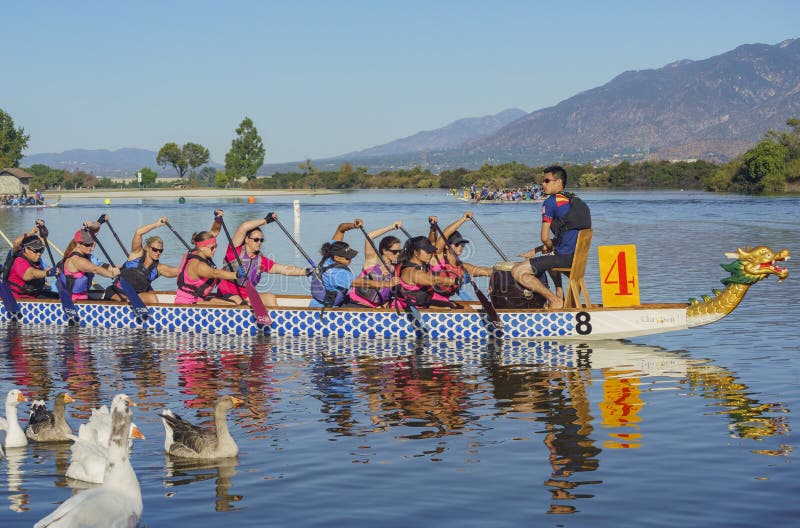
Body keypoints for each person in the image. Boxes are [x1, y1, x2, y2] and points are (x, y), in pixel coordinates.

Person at [511, 165, 588, 309]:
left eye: (547, 181)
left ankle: (554, 300)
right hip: (578, 260)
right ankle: (560, 293)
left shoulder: (550, 202)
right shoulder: (574, 200)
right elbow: (566, 236)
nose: (542, 184)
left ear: (559, 182)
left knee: (518, 271)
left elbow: (544, 237)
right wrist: (537, 250)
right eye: (542, 181)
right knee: (548, 253)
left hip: (564, 258)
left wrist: (546, 246)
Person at [216, 212, 312, 307]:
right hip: (227, 293)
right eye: (256, 239)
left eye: (261, 240)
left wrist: (307, 271)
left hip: (247, 295)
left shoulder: (261, 261)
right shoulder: (234, 250)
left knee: (270, 297)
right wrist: (267, 220)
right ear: (246, 239)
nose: (259, 242)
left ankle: (276, 320)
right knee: (239, 301)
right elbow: (243, 227)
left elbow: (284, 269)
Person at [309, 219, 395, 308]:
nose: (350, 259)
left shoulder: (331, 251)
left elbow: (341, 228)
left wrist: (353, 225)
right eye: (347, 257)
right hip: (326, 309)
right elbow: (361, 283)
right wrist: (385, 284)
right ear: (337, 257)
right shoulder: (338, 273)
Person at [174, 211, 245, 305]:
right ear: (201, 247)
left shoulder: (198, 249)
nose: (215, 250)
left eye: (216, 246)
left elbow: (214, 232)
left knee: (233, 302)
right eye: (212, 248)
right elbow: (215, 273)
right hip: (188, 304)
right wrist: (236, 275)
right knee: (231, 306)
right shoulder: (198, 265)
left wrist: (218, 220)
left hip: (198, 299)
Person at [104, 217, 179, 303]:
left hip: (135, 296)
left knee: (153, 298)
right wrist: (157, 224)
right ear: (147, 247)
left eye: (160, 251)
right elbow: (138, 232)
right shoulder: (136, 254)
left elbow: (180, 271)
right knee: (126, 300)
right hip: (117, 292)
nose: (158, 252)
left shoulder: (159, 268)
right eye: (155, 249)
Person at [428, 212, 493, 302]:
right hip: (428, 302)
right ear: (447, 246)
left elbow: (486, 271)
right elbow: (445, 234)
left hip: (444, 302)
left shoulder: (462, 267)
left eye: (462, 245)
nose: (460, 247)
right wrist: (463, 219)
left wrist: (511, 269)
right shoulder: (437, 258)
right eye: (457, 244)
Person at [57, 222, 121, 301]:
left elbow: (97, 226)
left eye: (92, 244)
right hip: (71, 302)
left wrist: (91, 225)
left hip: (83, 299)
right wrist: (112, 274)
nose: (91, 248)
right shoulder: (76, 260)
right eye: (87, 245)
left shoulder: (85, 254)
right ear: (78, 244)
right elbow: (95, 269)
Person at [348, 221, 403, 308]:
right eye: (395, 252)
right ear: (384, 251)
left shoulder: (396, 268)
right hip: (356, 304)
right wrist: (391, 227)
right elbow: (370, 237)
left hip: (375, 309)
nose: (398, 254)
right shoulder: (372, 262)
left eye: (400, 251)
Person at [394, 236, 459, 309]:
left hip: (421, 304)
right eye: (427, 251)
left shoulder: (423, 266)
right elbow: (434, 280)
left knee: (453, 305)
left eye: (431, 251)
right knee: (449, 308)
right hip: (405, 309)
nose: (430, 254)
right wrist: (455, 281)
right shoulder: (411, 271)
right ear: (415, 252)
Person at [3, 221, 59, 299]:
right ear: (27, 249)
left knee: (58, 297)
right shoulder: (19, 260)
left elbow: (43, 241)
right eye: (36, 251)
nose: (39, 253)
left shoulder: (34, 256)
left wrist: (42, 228)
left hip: (32, 294)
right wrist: (47, 273)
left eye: (41, 250)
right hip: (16, 298)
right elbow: (30, 273)